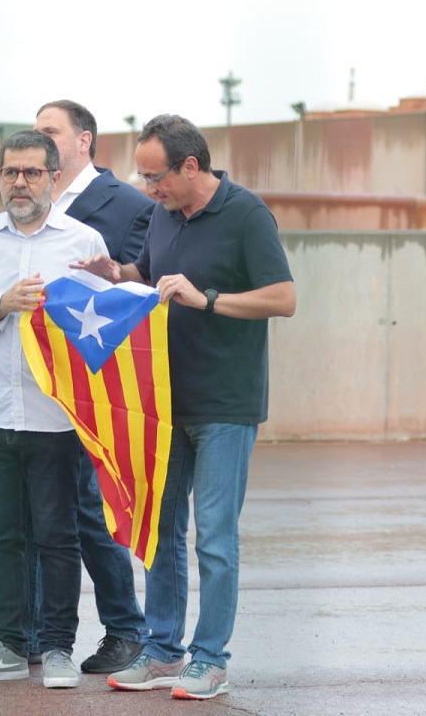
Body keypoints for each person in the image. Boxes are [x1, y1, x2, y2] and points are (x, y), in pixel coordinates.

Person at [74, 114, 296, 700]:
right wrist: (114, 273)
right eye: (143, 177)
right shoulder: (163, 215)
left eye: (156, 177)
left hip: (225, 405)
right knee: (159, 532)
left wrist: (208, 299)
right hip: (163, 404)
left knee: (214, 538)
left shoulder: (247, 213)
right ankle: (163, 650)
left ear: (191, 166)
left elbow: (284, 297)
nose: (149, 189)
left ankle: (210, 659)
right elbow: (148, 278)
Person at [0, 130, 108, 688]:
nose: (20, 182)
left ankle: (58, 648)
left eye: (32, 172)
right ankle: (9, 644)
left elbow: (104, 327)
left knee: (58, 537)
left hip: (56, 417)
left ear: (54, 178)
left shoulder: (84, 241)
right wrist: (0, 304)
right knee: (1, 538)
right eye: (10, 172)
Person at [21, 100, 154, 674]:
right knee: (37, 514)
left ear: (84, 141)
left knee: (88, 512)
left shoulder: (128, 205)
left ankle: (125, 629)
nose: (40, 140)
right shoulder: (27, 198)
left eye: (51, 132)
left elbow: (142, 287)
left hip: (95, 384)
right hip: (34, 386)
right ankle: (35, 632)